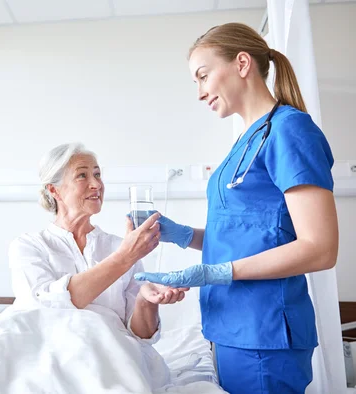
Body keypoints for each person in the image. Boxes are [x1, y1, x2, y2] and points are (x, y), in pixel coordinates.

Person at [135, 23, 339, 394]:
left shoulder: (290, 131)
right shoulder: (246, 140)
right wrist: (181, 235)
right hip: (229, 325)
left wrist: (216, 272)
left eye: (203, 76)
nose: (199, 93)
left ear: (242, 63)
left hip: (264, 330)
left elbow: (320, 248)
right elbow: (248, 236)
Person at [8, 142, 188, 390]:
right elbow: (44, 307)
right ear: (55, 190)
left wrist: (147, 301)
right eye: (82, 175)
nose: (96, 184)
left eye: (98, 174)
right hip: (50, 353)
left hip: (111, 356)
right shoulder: (29, 246)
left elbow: (141, 334)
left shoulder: (120, 246)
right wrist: (124, 257)